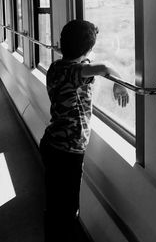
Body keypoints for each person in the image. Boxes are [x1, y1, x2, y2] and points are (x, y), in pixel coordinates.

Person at [39, 19, 129, 241]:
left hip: (51, 144)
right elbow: (105, 67)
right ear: (88, 48)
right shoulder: (78, 72)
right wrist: (120, 83)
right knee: (68, 210)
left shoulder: (56, 67)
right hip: (67, 152)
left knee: (54, 201)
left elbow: (82, 68)